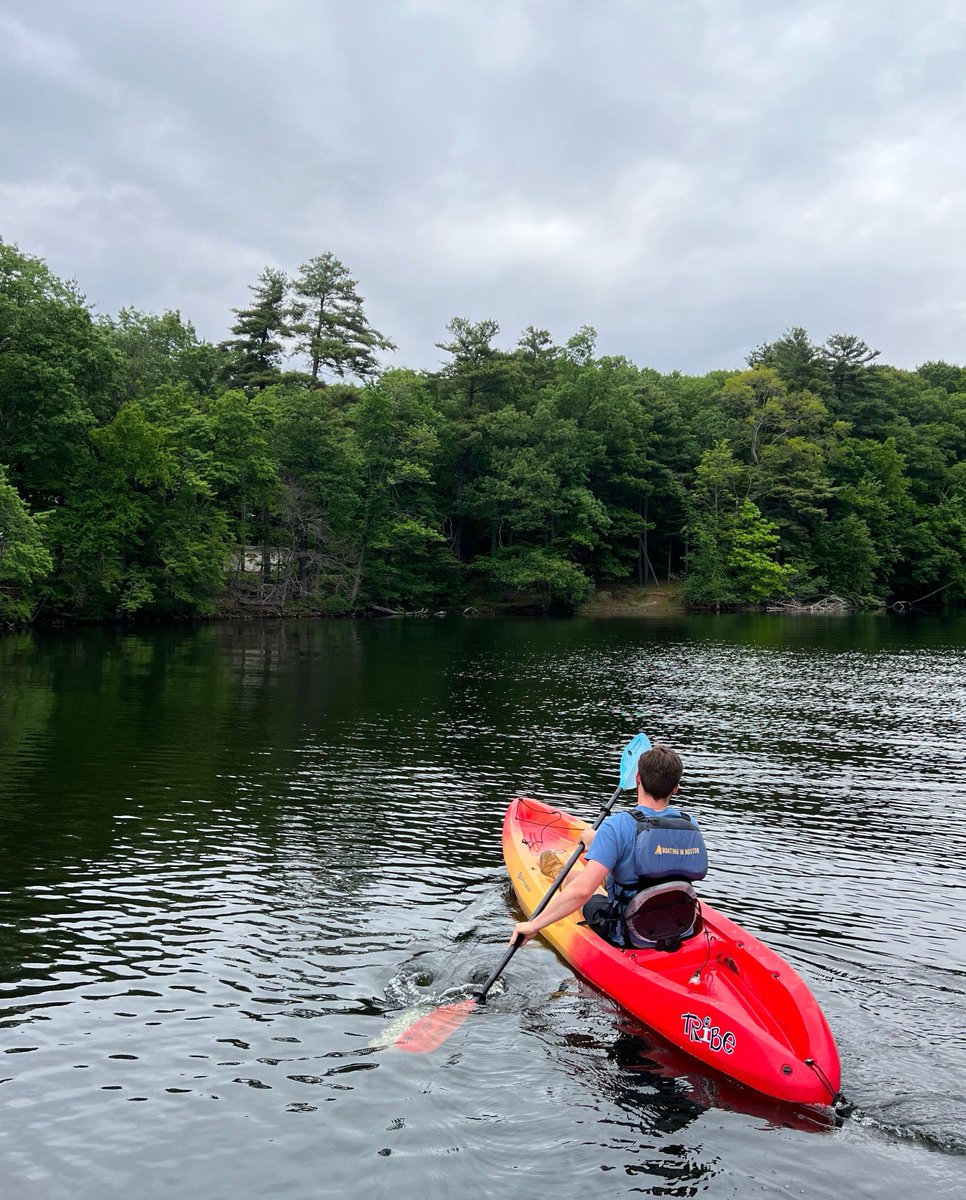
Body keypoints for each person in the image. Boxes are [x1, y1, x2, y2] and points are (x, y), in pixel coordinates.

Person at [509, 744, 703, 949]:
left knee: (576, 883)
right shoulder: (690, 824)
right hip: (680, 927)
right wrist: (600, 841)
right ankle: (591, 859)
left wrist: (534, 925)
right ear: (675, 788)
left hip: (628, 933)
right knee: (617, 874)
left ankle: (559, 873)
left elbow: (582, 892)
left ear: (637, 778)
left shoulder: (617, 826)